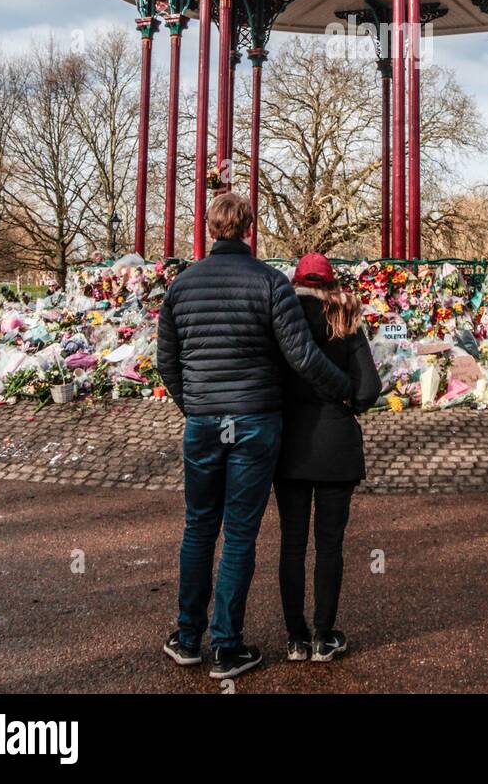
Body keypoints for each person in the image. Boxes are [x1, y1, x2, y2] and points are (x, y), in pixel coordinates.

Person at [156, 194, 353, 681]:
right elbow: (301, 357)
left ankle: (187, 637)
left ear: (208, 227)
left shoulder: (181, 286)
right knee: (240, 532)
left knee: (199, 525)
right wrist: (346, 391)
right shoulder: (269, 283)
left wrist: (195, 404)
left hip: (203, 423)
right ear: (248, 228)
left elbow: (166, 361)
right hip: (254, 421)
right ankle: (226, 646)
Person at [273, 252, 381, 664]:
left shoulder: (282, 321)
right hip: (336, 446)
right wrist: (347, 398)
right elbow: (369, 389)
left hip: (290, 447)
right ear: (330, 283)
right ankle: (323, 635)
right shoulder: (346, 320)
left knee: (292, 544)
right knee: (329, 545)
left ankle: (295, 638)